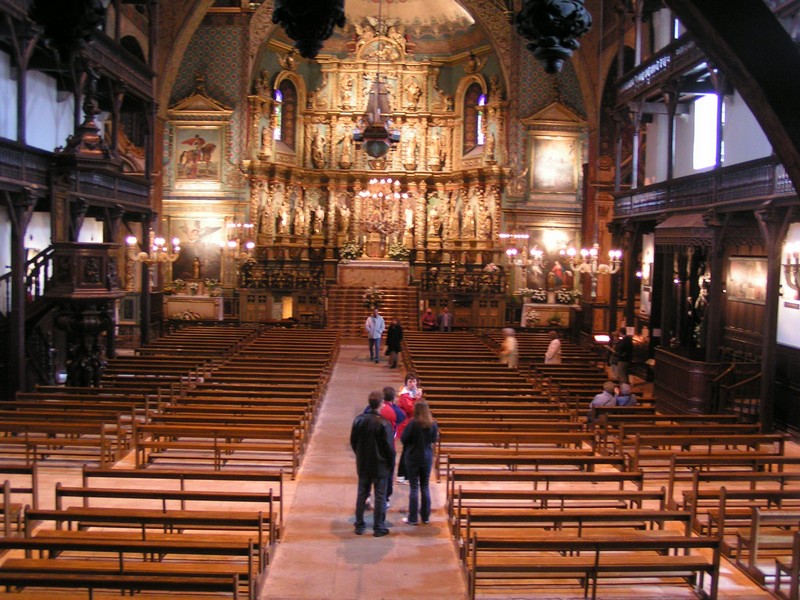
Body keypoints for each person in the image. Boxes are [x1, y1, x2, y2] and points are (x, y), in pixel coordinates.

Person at [350, 391, 394, 537]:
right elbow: (389, 447)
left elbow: (353, 441)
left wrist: (360, 455)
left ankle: (359, 525)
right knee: (380, 496)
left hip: (363, 463)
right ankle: (378, 527)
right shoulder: (384, 423)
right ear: (381, 404)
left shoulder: (359, 420)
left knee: (362, 493)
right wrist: (390, 463)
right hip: (380, 465)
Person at [363, 387, 406, 511]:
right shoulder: (394, 410)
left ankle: (367, 496)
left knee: (369, 472)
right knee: (387, 474)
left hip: (371, 445)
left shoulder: (369, 409)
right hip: (387, 446)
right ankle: (385, 499)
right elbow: (402, 417)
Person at [401, 401, 439, 525]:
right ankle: (425, 517)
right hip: (426, 457)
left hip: (413, 456)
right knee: (425, 486)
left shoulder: (413, 423)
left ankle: (413, 518)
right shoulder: (432, 424)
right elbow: (434, 439)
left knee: (414, 487)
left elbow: (404, 438)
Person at [396, 373, 423, 483]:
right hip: (406, 426)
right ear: (406, 383)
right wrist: (418, 398)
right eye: (410, 381)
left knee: (407, 450)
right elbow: (411, 409)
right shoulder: (404, 395)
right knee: (408, 451)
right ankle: (405, 476)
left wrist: (418, 397)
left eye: (414, 381)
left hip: (411, 425)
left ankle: (402, 475)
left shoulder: (413, 394)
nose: (412, 384)